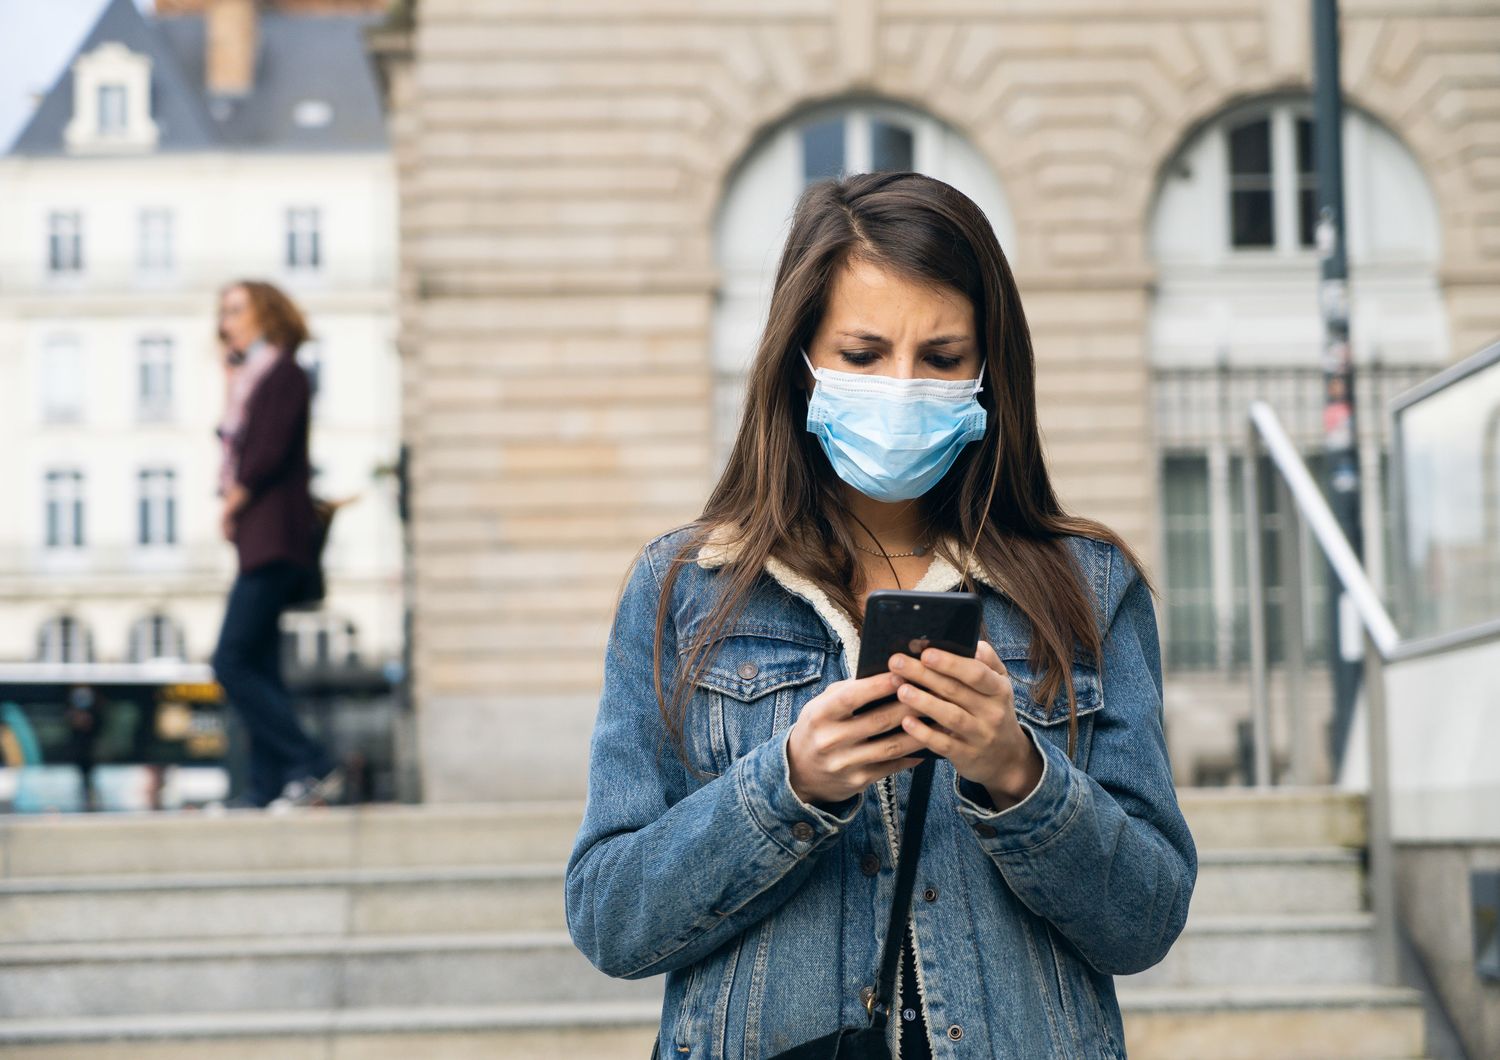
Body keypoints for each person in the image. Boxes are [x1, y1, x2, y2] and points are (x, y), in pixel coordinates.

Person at [565, 172, 1196, 1058]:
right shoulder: (684, 588)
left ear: (988, 370)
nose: (902, 387)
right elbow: (610, 917)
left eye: (941, 359)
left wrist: (1017, 772)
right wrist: (786, 785)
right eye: (863, 355)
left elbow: (1147, 919)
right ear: (803, 361)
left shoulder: (1085, 589)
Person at [210, 280, 342, 810]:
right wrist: (229, 384)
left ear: (267, 314)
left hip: (275, 542)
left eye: (237, 310)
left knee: (230, 660)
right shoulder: (250, 378)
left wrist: (232, 502)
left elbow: (264, 453)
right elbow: (236, 442)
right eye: (223, 312)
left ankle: (313, 761)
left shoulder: (284, 372)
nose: (226, 322)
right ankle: (264, 787)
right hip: (258, 541)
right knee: (258, 666)